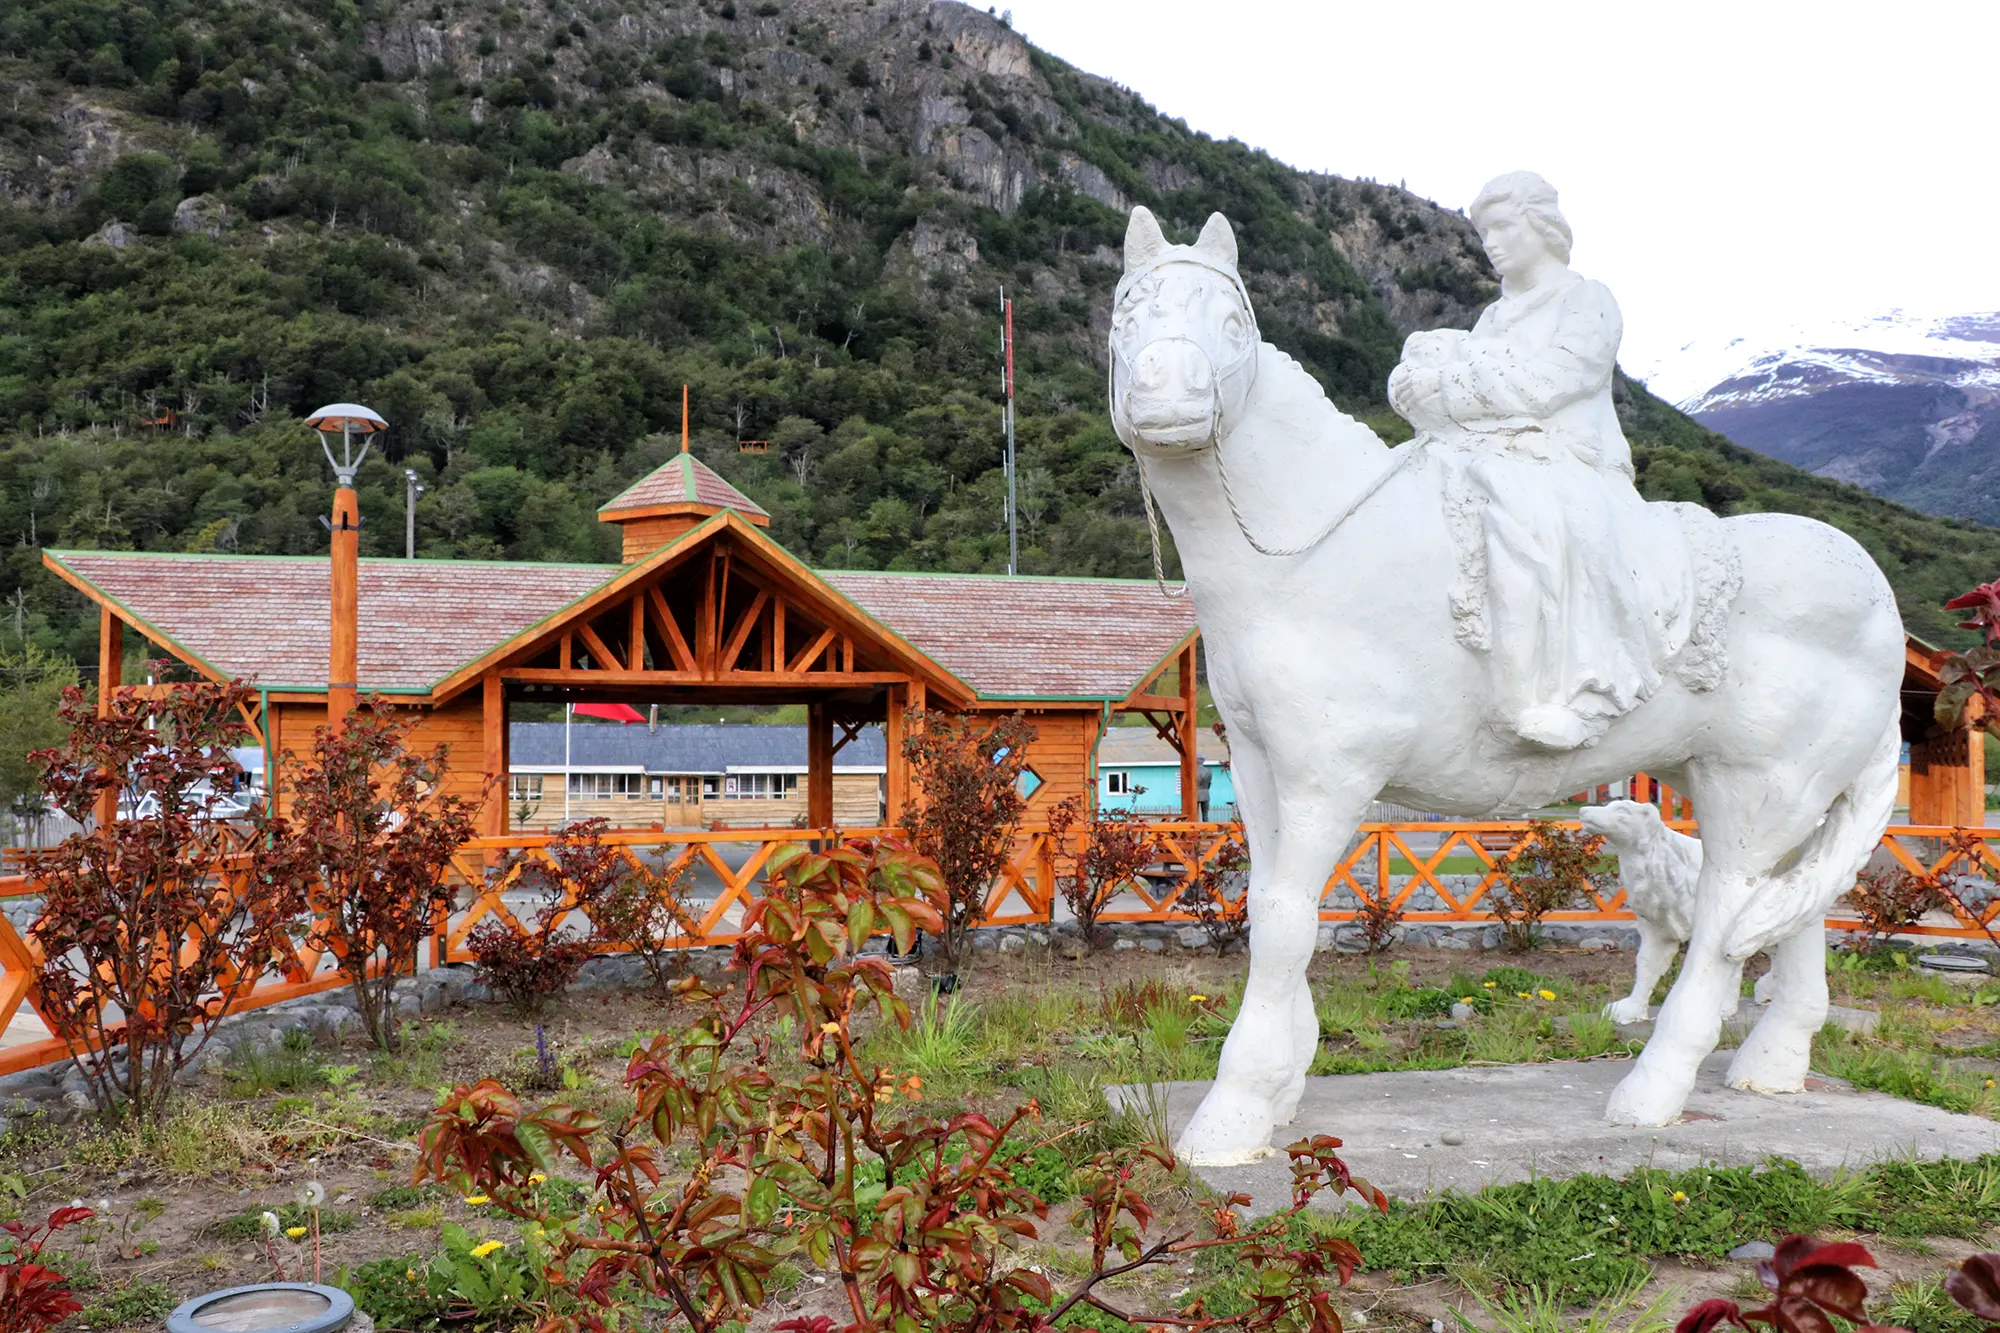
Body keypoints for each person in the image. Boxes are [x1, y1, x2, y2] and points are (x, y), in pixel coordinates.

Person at [1388, 171, 1677, 751]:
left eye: (1502, 227)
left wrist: (1451, 381)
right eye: (1483, 232)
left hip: (1571, 460)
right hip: (1493, 452)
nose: (1491, 243)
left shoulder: (1586, 299)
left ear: (1541, 226)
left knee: (1524, 517)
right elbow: (1466, 391)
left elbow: (1554, 381)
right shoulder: (1493, 319)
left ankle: (1551, 691)